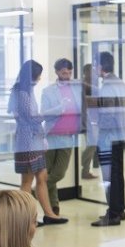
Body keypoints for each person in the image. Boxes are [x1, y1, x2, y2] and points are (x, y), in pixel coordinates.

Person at [8, 60, 67, 225]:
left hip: (34, 139)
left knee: (42, 176)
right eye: (38, 75)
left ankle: (49, 214)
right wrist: (54, 111)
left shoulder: (27, 90)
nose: (40, 78)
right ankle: (26, 219)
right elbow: (32, 118)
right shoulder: (21, 93)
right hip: (27, 141)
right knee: (27, 181)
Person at [90, 51, 125, 227]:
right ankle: (119, 210)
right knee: (117, 174)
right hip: (120, 134)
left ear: (100, 66)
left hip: (109, 135)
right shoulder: (119, 82)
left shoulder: (107, 86)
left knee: (110, 176)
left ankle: (113, 214)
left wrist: (97, 127)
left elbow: (108, 113)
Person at [40, 58, 84, 216]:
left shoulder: (77, 88)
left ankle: (36, 190)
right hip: (51, 135)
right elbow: (44, 113)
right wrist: (61, 108)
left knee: (59, 173)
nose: (67, 75)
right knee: (48, 171)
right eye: (64, 72)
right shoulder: (48, 91)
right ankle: (53, 207)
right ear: (57, 72)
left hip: (68, 136)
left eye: (70, 72)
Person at [80, 63, 98, 180]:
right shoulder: (82, 84)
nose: (94, 74)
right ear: (86, 72)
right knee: (92, 143)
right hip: (85, 118)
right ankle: (82, 164)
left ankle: (85, 170)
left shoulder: (92, 85)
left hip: (94, 118)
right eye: (92, 71)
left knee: (93, 143)